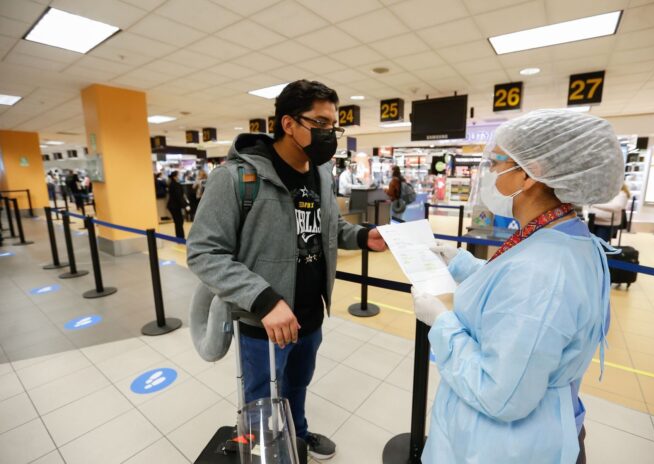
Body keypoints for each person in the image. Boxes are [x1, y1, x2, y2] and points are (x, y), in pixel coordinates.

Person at [187, 79, 387, 461]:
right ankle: (263, 450)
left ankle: (299, 435)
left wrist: (363, 236)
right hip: (263, 323)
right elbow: (203, 253)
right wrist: (264, 300)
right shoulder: (235, 178)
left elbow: (328, 229)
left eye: (333, 125)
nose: (329, 133)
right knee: (260, 400)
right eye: (320, 123)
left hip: (309, 317)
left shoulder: (321, 174)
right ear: (288, 123)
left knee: (298, 386)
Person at [413, 109, 624, 464]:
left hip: (505, 447)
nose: (489, 173)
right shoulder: (561, 234)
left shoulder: (542, 274)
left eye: (495, 163)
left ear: (528, 175)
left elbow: (500, 393)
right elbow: (513, 293)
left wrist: (442, 322)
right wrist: (464, 265)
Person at [166, 171, 187, 239]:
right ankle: (180, 237)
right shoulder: (175, 185)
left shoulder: (173, 184)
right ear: (175, 177)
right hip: (174, 206)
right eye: (179, 175)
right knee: (179, 221)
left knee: (178, 221)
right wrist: (185, 205)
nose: (180, 176)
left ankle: (179, 237)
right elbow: (178, 196)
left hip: (174, 206)